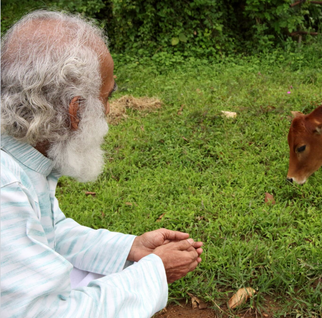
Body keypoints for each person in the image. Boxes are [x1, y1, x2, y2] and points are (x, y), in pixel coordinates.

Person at [0, 10, 203, 317]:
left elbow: (49, 233)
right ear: (75, 110)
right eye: (107, 96)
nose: (107, 110)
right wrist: (154, 271)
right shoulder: (6, 189)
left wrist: (130, 249)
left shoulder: (21, 159)